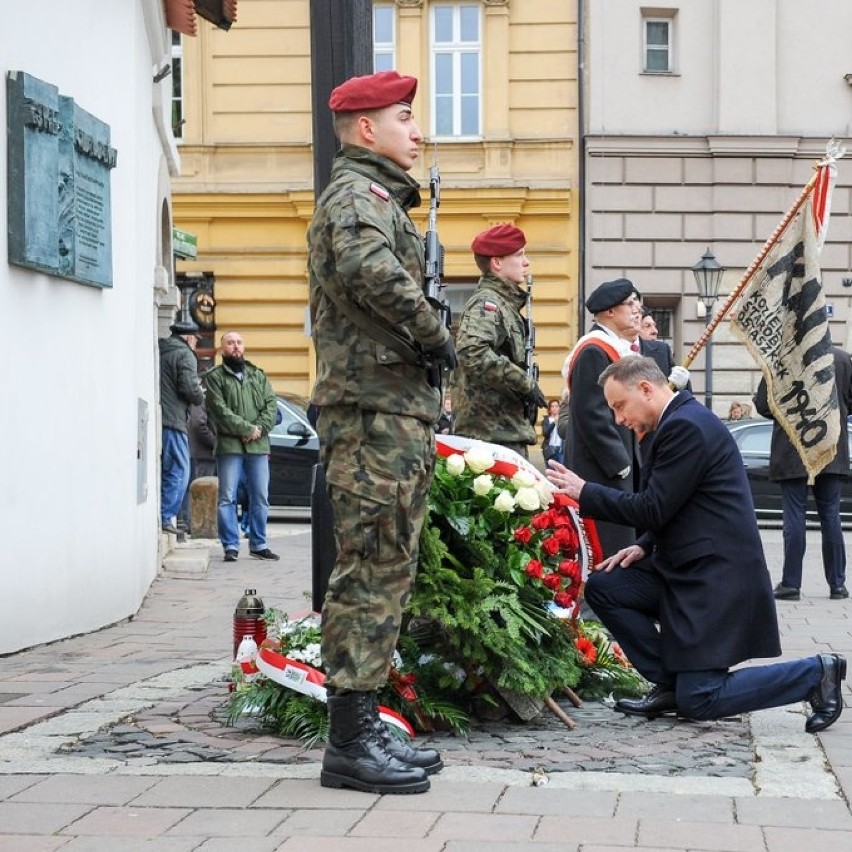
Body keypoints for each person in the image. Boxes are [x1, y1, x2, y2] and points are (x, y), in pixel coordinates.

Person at [546, 357, 845, 733]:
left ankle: (816, 674)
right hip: (683, 569)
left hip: (715, 581)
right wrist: (646, 545)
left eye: (620, 406)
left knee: (701, 699)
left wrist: (585, 491)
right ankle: (671, 683)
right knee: (607, 586)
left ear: (645, 389)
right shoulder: (674, 422)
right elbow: (680, 501)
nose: (619, 419)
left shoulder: (685, 426)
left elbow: (653, 506)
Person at [307, 70, 455, 795]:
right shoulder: (356, 198)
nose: (417, 131)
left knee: (387, 569)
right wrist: (435, 333)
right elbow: (370, 272)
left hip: (390, 411)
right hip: (370, 414)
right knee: (368, 570)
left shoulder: (380, 200)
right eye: (405, 118)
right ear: (367, 129)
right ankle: (348, 744)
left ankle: (363, 727)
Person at [754, 345, 852, 601]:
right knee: (831, 514)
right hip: (830, 445)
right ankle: (837, 585)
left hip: (792, 447)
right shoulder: (841, 358)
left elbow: (763, 405)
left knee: (794, 515)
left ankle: (791, 584)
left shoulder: (780, 358)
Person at [560, 278, 643, 557]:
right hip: (601, 469)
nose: (637, 309)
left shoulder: (612, 347)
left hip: (611, 467)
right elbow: (591, 413)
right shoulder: (594, 350)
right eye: (630, 304)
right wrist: (620, 463)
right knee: (605, 545)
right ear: (610, 312)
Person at [451, 223, 546, 457]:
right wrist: (525, 383)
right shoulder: (487, 304)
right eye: (519, 255)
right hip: (489, 440)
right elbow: (472, 353)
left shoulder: (504, 305)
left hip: (501, 435)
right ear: (497, 263)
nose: (526, 262)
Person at [203, 331, 279, 563]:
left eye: (239, 343)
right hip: (229, 446)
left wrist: (258, 430)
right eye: (230, 343)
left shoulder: (258, 375)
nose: (235, 347)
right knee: (227, 497)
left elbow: (271, 406)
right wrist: (247, 429)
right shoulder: (215, 377)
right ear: (222, 348)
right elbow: (219, 410)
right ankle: (231, 546)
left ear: (243, 347)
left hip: (258, 446)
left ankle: (259, 544)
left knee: (260, 496)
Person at [158, 319, 204, 534]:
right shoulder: (185, 354)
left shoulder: (163, 349)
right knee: (179, 470)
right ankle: (167, 517)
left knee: (170, 469)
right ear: (189, 338)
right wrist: (199, 394)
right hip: (174, 419)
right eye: (195, 341)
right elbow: (189, 388)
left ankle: (165, 515)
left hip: (163, 417)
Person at [542, 399, 563, 465]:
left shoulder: (563, 420)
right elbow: (545, 434)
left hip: (561, 449)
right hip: (550, 448)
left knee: (561, 471)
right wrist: (554, 423)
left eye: (556, 406)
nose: (554, 408)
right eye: (552, 406)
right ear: (549, 409)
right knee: (551, 471)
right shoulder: (546, 420)